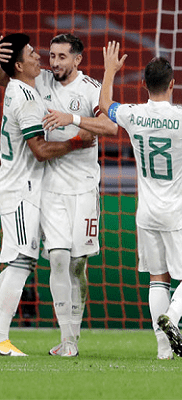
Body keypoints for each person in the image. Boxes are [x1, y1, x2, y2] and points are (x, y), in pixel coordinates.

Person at [99, 41, 182, 359]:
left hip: (146, 211)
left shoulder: (133, 114)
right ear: (173, 84)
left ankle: (163, 350)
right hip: (178, 211)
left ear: (144, 84)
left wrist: (109, 71)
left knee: (157, 278)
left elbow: (105, 105)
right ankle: (172, 318)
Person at [0, 33, 93, 356]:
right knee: (23, 260)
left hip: (42, 189)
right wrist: (76, 141)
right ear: (19, 64)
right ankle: (1, 339)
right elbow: (39, 150)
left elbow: (6, 71)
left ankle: (63, 339)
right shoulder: (27, 94)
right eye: (33, 53)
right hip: (24, 189)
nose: (42, 58)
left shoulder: (22, 87)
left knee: (33, 261)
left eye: (56, 56)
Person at [25, 33, 117, 357]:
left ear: (77, 59)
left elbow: (110, 128)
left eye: (62, 57)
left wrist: (73, 119)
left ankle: (73, 334)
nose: (55, 62)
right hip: (52, 185)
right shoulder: (41, 82)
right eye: (52, 56)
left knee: (78, 264)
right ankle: (67, 340)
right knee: (59, 258)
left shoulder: (90, 88)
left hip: (85, 186)